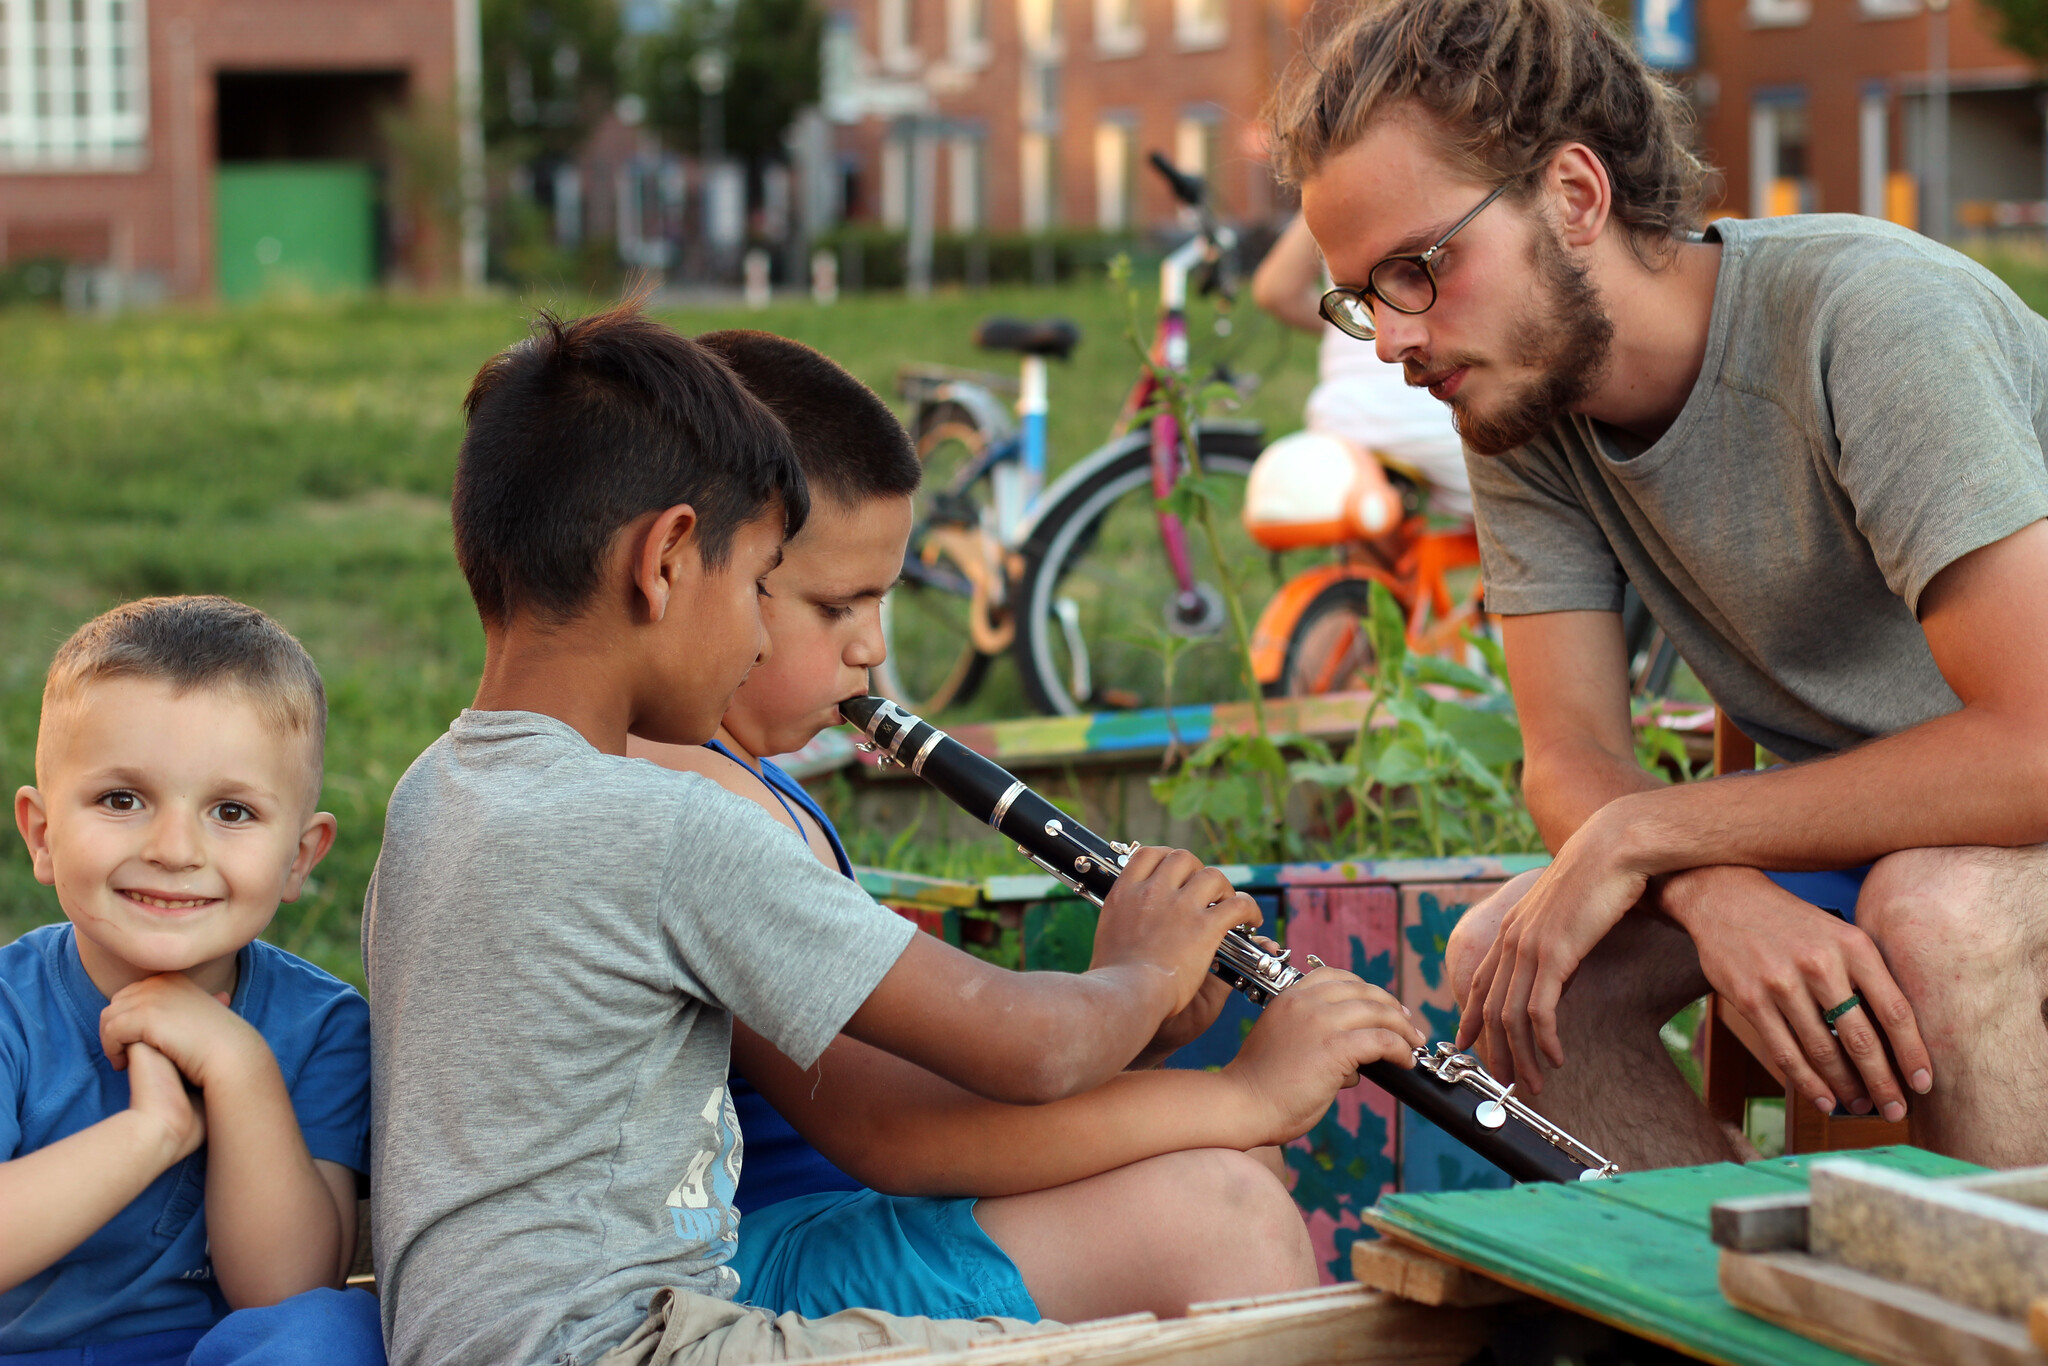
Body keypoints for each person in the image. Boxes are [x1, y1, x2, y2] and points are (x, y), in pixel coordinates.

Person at [363, 304, 1425, 1366]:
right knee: (1196, 1256)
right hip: (642, 1344)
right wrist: (1160, 1002)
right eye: (760, 585)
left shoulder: (435, 788)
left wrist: (1135, 1017)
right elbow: (1013, 1049)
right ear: (667, 562)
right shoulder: (666, 821)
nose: (768, 635)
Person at [1267, 0, 2048, 1173]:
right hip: (1888, 821)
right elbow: (1568, 755)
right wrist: (1710, 891)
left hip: (1994, 807)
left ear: (1575, 196)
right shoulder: (1521, 404)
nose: (1388, 338)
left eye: (1416, 269)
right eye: (1359, 296)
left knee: (1932, 916)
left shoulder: (1870, 319)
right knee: (1514, 968)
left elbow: (2029, 747)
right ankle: (1736, 1311)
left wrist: (1652, 833)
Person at [628, 328, 1395, 1324]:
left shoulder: (748, 777)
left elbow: (927, 1089)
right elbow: (892, 1128)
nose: (872, 648)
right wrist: (1239, 1085)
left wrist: (1135, 1029)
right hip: (745, 1269)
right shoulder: (696, 792)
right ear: (691, 569)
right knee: (1215, 1212)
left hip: (822, 1223)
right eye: (836, 604)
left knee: (1215, 1164)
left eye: (884, 600)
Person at [2, 596, 383, 1364]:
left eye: (232, 812)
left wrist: (239, 1069)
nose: (175, 848)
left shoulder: (322, 1027)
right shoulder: (12, 1008)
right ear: (43, 836)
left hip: (217, 1353)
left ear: (300, 858)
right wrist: (152, 1134)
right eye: (121, 799)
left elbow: (290, 1288)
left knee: (336, 1332)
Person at [1252, 212, 1473, 525]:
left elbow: (1276, 290)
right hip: (1444, 426)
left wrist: (1359, 324)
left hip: (1344, 424)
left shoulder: (1329, 186)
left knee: (1368, 549)